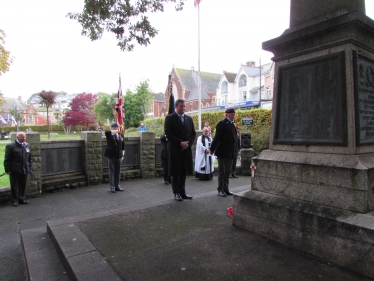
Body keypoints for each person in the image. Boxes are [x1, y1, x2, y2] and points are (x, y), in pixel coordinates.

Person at [164, 99, 196, 201]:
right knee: (175, 172)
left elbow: (193, 133)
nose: (183, 108)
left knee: (183, 171)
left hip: (185, 150)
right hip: (175, 150)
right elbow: (168, 134)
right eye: (181, 106)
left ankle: (183, 191)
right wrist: (180, 143)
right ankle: (176, 192)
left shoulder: (188, 119)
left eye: (184, 106)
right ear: (176, 107)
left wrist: (188, 143)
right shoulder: (170, 118)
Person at [210, 108, 238, 197]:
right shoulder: (222, 123)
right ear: (226, 115)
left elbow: (235, 138)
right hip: (222, 151)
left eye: (234, 114)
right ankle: (220, 189)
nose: (233, 115)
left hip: (230, 152)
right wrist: (212, 149)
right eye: (231, 114)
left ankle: (226, 188)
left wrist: (238, 148)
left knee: (228, 172)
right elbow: (217, 137)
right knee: (222, 171)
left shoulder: (232, 124)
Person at [4, 132, 32, 207]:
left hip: (24, 169)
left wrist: (30, 168)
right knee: (14, 185)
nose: (24, 138)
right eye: (22, 137)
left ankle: (22, 198)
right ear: (17, 137)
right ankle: (14, 200)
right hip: (15, 169)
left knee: (23, 184)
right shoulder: (11, 146)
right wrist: (7, 169)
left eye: (25, 137)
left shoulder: (27, 145)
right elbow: (7, 159)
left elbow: (29, 158)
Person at [104, 123, 125, 193]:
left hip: (119, 155)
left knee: (118, 171)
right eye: (114, 127)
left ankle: (117, 186)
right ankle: (112, 186)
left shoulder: (120, 135)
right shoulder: (109, 134)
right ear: (112, 127)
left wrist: (123, 154)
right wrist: (117, 130)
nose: (115, 128)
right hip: (111, 155)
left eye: (116, 127)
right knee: (112, 171)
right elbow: (106, 132)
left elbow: (123, 145)